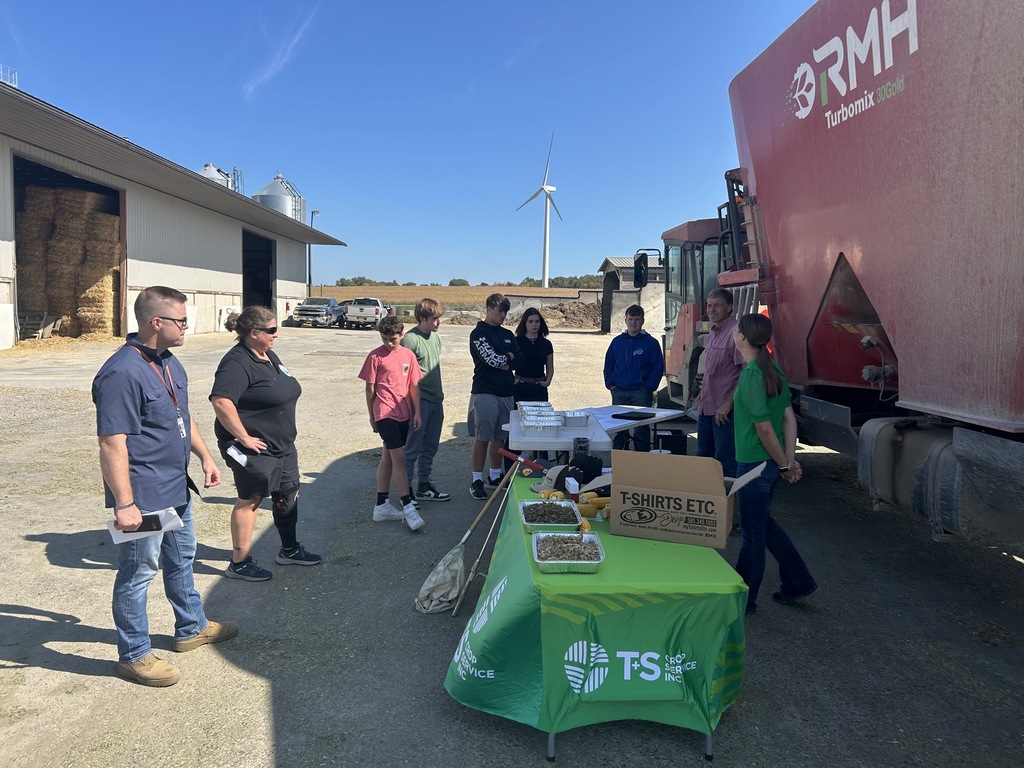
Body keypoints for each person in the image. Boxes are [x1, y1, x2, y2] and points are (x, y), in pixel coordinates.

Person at [93, 286, 237, 686]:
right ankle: (134, 655)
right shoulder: (122, 372)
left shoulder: (169, 362)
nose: (187, 327)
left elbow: (181, 415)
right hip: (145, 494)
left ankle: (190, 627)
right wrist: (125, 504)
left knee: (182, 557)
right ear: (157, 322)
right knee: (138, 572)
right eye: (182, 321)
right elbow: (111, 442)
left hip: (176, 486)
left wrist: (205, 456)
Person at [210, 306, 322, 583]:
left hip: (281, 444)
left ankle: (289, 550)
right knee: (251, 499)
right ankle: (239, 563)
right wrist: (244, 437)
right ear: (253, 332)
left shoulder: (267, 354)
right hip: (253, 448)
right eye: (271, 330)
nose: (276, 334)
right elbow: (221, 401)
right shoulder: (236, 362)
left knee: (288, 495)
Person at [731, 313, 817, 616]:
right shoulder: (773, 369)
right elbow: (788, 417)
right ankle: (798, 581)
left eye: (737, 330)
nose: (734, 334)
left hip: (754, 465)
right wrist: (788, 460)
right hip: (768, 464)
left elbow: (765, 428)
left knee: (753, 534)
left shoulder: (752, 375)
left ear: (743, 337)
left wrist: (785, 464)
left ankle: (744, 600)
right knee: (763, 525)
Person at [359, 315, 425, 531]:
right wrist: (372, 416)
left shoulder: (408, 356)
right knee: (399, 457)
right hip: (384, 412)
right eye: (384, 339)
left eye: (392, 339)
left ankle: (381, 505)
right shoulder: (375, 356)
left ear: (401, 335)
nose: (388, 343)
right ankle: (408, 506)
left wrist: (417, 412)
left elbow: (413, 385)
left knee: (388, 456)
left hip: (403, 412)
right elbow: (369, 389)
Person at [468, 293, 520, 499]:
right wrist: (508, 357)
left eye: (506, 312)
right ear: (489, 309)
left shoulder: (507, 334)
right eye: (500, 311)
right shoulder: (478, 334)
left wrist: (507, 359)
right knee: (483, 437)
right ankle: (476, 480)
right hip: (485, 391)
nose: (503, 315)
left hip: (506, 392)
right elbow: (491, 359)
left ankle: (495, 476)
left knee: (500, 436)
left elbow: (519, 360)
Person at [403, 298, 451, 503]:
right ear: (422, 318)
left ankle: (423, 486)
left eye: (439, 318)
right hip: (419, 401)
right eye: (435, 318)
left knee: (430, 446)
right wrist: (414, 408)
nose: (439, 322)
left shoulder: (436, 338)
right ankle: (406, 492)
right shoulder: (410, 340)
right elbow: (403, 375)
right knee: (412, 448)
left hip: (436, 398)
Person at [696, 288, 745, 479]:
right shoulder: (714, 332)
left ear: (729, 308)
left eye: (717, 306)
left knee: (724, 464)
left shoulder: (736, 333)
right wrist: (700, 396)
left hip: (724, 414)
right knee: (704, 461)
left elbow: (746, 373)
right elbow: (712, 372)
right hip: (706, 409)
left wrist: (727, 404)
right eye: (709, 305)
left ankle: (727, 498)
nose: (711, 310)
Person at [603, 304, 665, 452]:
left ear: (642, 321)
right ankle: (619, 456)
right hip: (619, 391)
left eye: (637, 319)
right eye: (630, 319)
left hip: (641, 393)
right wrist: (610, 384)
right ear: (625, 320)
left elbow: (658, 368)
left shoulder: (651, 343)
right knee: (619, 427)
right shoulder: (617, 342)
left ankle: (641, 458)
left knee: (641, 428)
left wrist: (648, 387)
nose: (633, 323)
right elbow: (609, 364)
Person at [512, 307, 554, 404]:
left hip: (539, 387)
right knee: (518, 413)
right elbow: (507, 363)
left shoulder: (546, 344)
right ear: (525, 323)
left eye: (537, 321)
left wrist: (548, 381)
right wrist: (512, 380)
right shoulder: (516, 342)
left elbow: (550, 367)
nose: (534, 324)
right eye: (530, 321)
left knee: (540, 413)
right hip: (520, 387)